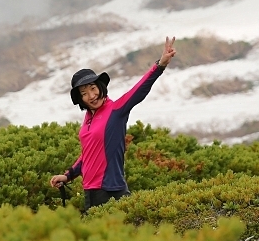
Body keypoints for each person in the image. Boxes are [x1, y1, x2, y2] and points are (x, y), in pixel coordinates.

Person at [50, 36, 177, 212]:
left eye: (93, 88)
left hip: (111, 190)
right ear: (80, 99)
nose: (91, 95)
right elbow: (88, 154)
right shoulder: (88, 118)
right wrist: (68, 176)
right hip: (91, 192)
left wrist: (160, 65)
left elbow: (139, 89)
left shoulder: (116, 110)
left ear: (101, 86)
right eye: (84, 93)